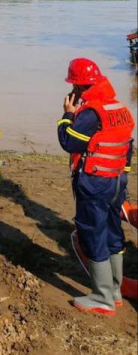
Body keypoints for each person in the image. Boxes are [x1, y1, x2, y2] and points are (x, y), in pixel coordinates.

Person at [57, 58, 134, 315]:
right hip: (116, 182)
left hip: (95, 183)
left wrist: (67, 115)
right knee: (113, 233)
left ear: (78, 87)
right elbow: (128, 147)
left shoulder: (91, 114)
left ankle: (102, 297)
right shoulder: (119, 107)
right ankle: (114, 290)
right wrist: (123, 176)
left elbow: (69, 142)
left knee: (93, 234)